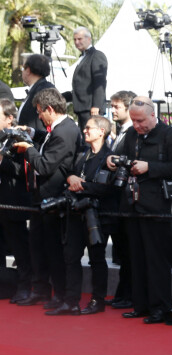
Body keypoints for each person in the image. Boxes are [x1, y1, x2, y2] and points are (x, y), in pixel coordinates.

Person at [106, 96, 172, 324]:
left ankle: (159, 307)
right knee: (135, 257)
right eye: (133, 120)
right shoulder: (131, 134)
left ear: (153, 115)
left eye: (140, 120)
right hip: (131, 203)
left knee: (156, 259)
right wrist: (112, 159)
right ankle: (139, 304)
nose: (137, 125)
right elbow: (117, 156)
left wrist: (149, 167)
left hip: (156, 205)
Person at [15, 88, 82, 308]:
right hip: (41, 198)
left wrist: (28, 148)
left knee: (53, 250)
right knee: (38, 246)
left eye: (40, 112)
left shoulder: (65, 131)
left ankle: (59, 294)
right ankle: (42, 289)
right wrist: (32, 134)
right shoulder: (59, 129)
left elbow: (45, 165)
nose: (39, 117)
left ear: (50, 109)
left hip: (53, 199)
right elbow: (49, 141)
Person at [45, 116, 115, 315]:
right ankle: (71, 301)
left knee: (97, 259)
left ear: (101, 131)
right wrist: (71, 178)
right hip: (75, 214)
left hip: (97, 217)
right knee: (71, 257)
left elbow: (108, 188)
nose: (84, 131)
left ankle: (97, 301)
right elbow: (67, 172)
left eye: (88, 128)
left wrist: (81, 185)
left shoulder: (109, 157)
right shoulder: (81, 154)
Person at [106, 90, 136, 310]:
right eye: (112, 106)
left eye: (116, 106)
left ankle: (128, 293)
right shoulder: (119, 132)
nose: (112, 110)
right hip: (116, 199)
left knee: (128, 250)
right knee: (122, 250)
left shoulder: (133, 132)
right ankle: (123, 293)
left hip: (128, 199)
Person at [0, 98, 32, 303]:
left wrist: (2, 161)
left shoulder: (19, 138)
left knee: (20, 247)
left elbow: (23, 171)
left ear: (9, 118)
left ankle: (25, 286)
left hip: (13, 201)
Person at [64, 27, 108, 130]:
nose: (76, 42)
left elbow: (100, 81)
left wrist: (96, 105)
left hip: (90, 108)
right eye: (75, 39)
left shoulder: (97, 55)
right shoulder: (83, 57)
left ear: (89, 39)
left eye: (79, 39)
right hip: (81, 107)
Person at [17, 54, 54, 131]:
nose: (22, 71)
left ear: (28, 70)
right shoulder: (37, 88)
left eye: (23, 68)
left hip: (37, 140)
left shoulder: (43, 90)